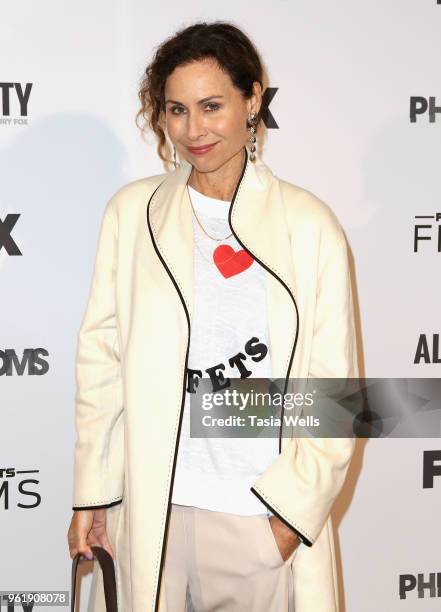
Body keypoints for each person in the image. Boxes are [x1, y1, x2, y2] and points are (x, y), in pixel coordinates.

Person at [67, 20, 359, 612]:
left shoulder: (308, 225)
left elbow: (335, 394)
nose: (193, 130)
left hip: (259, 522)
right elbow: (102, 364)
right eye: (176, 110)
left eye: (212, 106)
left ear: (253, 101)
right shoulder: (133, 213)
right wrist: (92, 495)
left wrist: (286, 518)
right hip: (152, 517)